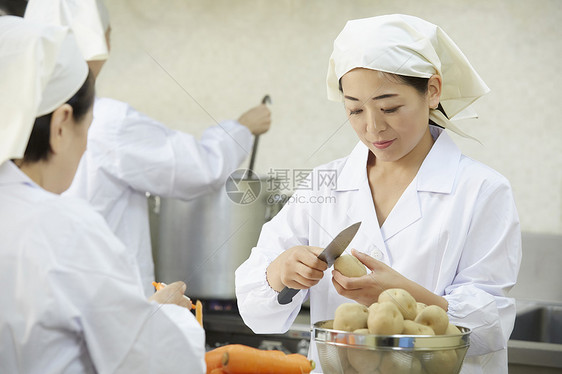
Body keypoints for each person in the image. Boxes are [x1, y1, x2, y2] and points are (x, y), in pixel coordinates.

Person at [235, 14, 521, 374]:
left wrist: (403, 295)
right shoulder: (324, 183)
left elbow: (489, 327)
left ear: (432, 90)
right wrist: (282, 270)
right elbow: (255, 308)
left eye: (390, 107)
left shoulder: (482, 190)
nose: (372, 127)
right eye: (354, 109)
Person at [24, 0, 272, 296]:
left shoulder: (20, 117)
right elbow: (198, 170)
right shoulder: (107, 122)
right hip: (111, 304)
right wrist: (241, 128)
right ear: (103, 41)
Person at [0, 16, 205, 373]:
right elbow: (162, 366)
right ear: (62, 124)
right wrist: (165, 315)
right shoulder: (64, 228)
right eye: (87, 128)